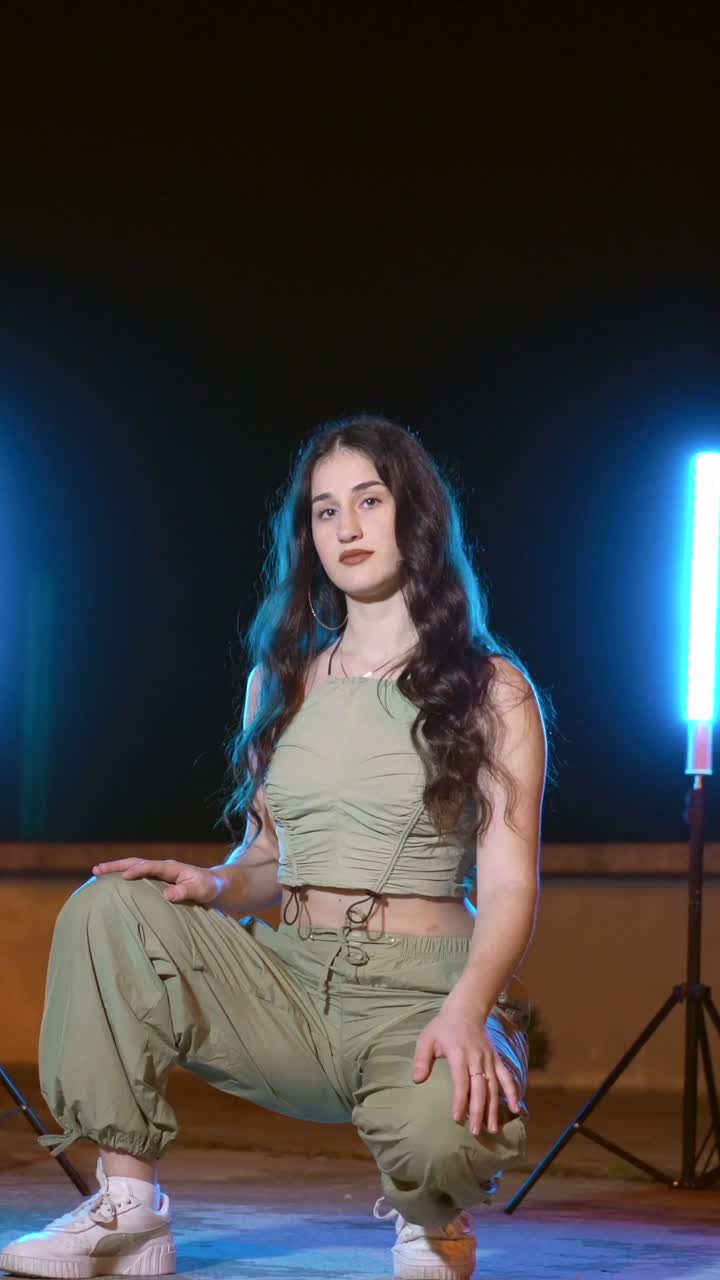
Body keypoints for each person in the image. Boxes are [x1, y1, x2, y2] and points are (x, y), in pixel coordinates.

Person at [1, 413, 554, 1280]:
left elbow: (512, 886)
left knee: (449, 1132)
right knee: (109, 906)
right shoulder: (283, 680)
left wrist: (468, 1006)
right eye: (326, 511)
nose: (347, 527)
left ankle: (430, 1220)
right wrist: (217, 883)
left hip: (421, 996)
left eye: (370, 500)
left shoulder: (493, 689)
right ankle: (129, 1212)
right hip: (290, 984)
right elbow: (268, 858)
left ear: (416, 516)